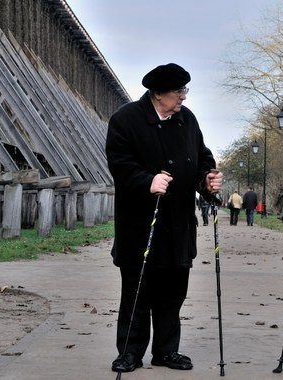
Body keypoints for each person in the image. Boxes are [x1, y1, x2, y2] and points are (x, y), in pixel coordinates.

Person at [105, 63, 223, 373]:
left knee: (173, 293)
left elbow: (202, 159)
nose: (184, 97)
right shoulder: (126, 120)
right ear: (158, 94)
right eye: (178, 92)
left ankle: (166, 351)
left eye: (186, 90)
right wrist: (147, 181)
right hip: (140, 225)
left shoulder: (187, 120)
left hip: (178, 226)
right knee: (137, 292)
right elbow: (119, 164)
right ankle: (130, 352)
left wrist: (207, 181)